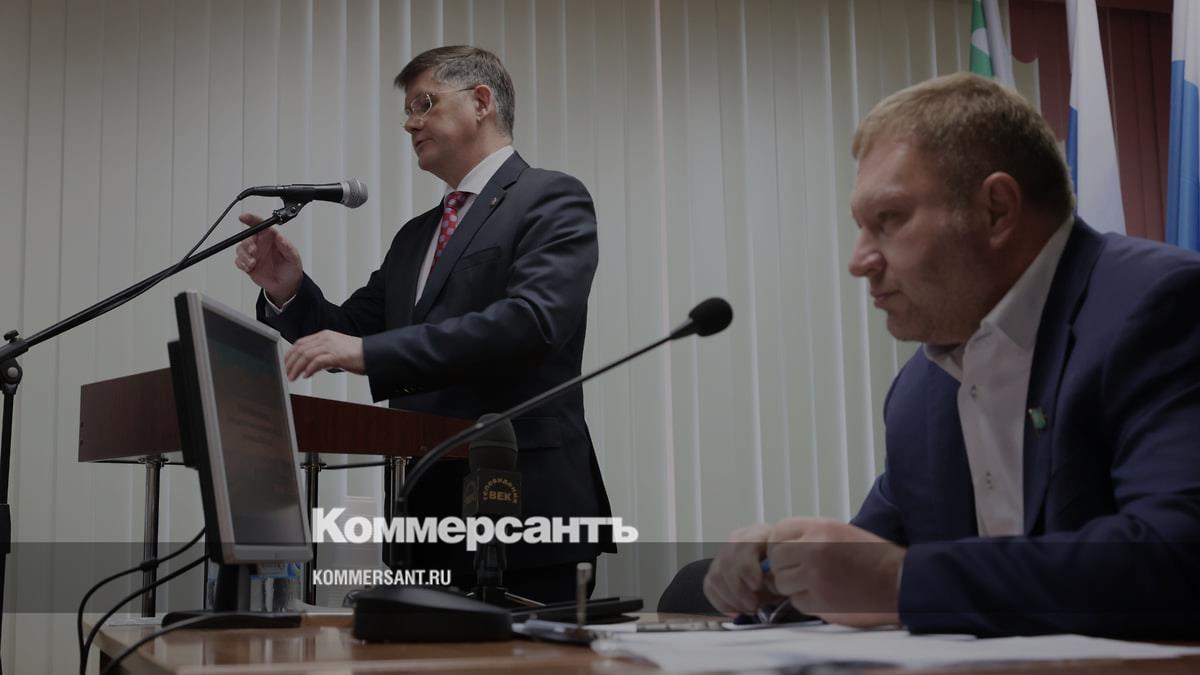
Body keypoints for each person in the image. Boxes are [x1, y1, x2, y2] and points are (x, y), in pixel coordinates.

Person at [703, 72, 1200, 637]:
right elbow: (868, 563)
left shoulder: (1163, 307)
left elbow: (1179, 556)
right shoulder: (921, 390)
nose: (858, 261)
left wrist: (897, 581)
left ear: (996, 211)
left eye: (889, 220)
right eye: (860, 228)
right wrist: (778, 574)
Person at [234, 45, 613, 603]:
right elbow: (350, 329)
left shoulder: (550, 197)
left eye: (424, 103)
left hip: (526, 510)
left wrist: (370, 354)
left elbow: (532, 321)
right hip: (425, 516)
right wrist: (287, 288)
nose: (409, 123)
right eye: (408, 110)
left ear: (481, 101)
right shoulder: (416, 235)